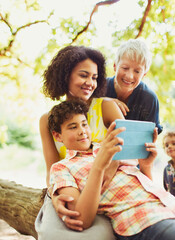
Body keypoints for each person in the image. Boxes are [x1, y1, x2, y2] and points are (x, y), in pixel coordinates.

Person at [48, 99, 175, 240]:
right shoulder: (61, 167)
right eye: (73, 127)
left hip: (167, 204)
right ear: (58, 136)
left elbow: (142, 187)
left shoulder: (109, 147)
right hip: (141, 219)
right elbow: (81, 219)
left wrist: (146, 166)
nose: (82, 131)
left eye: (84, 124)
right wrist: (99, 166)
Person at [35, 45, 125, 240]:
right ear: (65, 76)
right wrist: (57, 199)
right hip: (69, 190)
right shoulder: (47, 120)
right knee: (55, 234)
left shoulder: (107, 107)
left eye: (94, 77)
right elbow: (51, 170)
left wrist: (109, 170)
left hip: (108, 190)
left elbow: (128, 148)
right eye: (84, 75)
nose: (90, 83)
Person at [105, 39, 163, 134]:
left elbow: (150, 136)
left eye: (137, 71)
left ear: (144, 74)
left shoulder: (149, 99)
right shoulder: (99, 87)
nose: (129, 76)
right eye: (125, 68)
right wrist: (106, 102)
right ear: (115, 66)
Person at [163, 131, 175, 196]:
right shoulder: (167, 169)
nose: (169, 147)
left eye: (174, 144)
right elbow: (166, 188)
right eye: (166, 145)